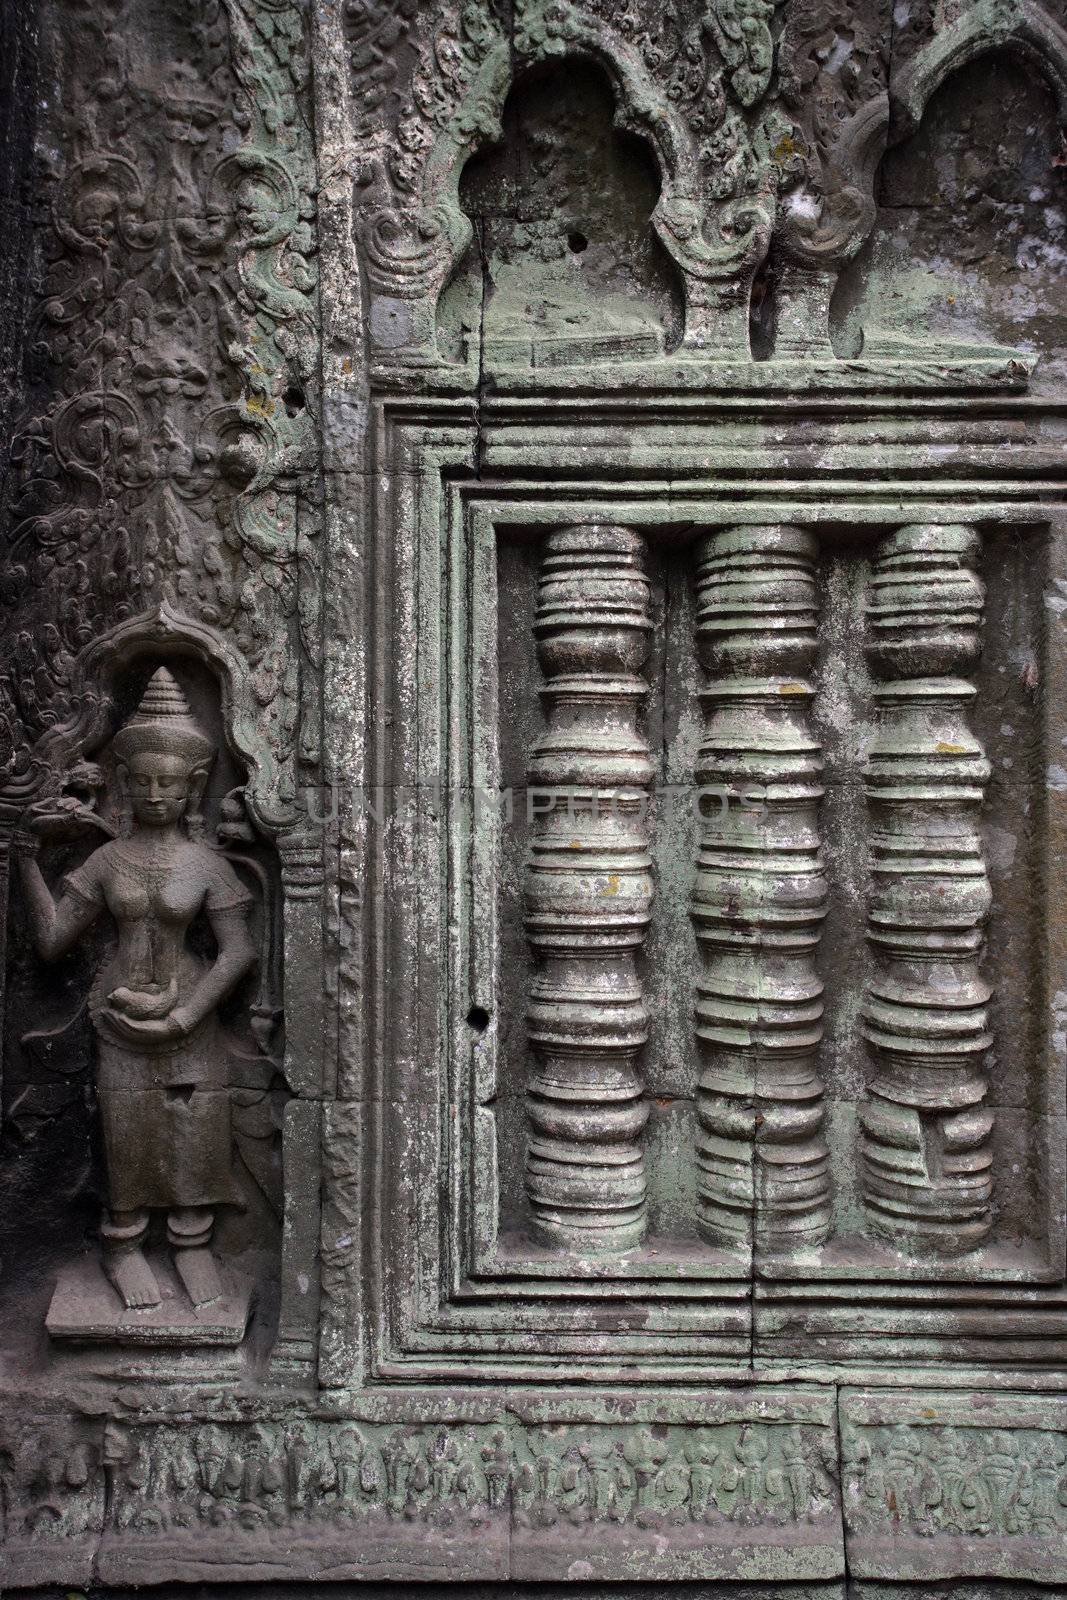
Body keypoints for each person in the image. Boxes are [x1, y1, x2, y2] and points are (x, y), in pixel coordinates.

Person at [17, 668, 256, 1310]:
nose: (155, 794)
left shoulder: (205, 865)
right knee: (128, 1132)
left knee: (194, 1128)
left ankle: (191, 1243)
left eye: (169, 784)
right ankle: (124, 1245)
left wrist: (185, 1015)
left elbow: (239, 950)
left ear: (193, 787)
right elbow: (51, 940)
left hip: (190, 1018)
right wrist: (23, 860)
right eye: (143, 782)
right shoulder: (106, 861)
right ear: (125, 782)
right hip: (117, 1017)